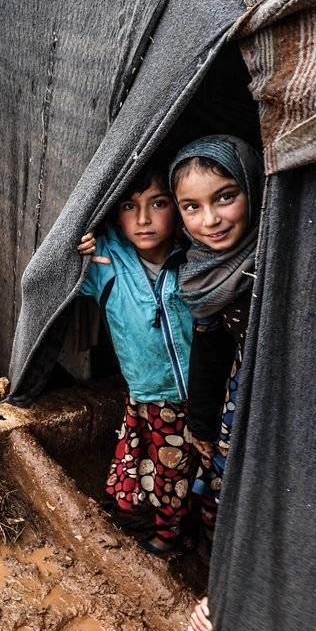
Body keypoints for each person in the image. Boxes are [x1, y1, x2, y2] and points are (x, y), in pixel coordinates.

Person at [165, 134, 263, 631]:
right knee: (220, 491)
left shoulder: (274, 260)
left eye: (225, 196)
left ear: (253, 186)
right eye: (192, 207)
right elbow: (209, 349)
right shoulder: (199, 271)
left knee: (258, 499)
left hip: (272, 408)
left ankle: (230, 593)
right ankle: (212, 574)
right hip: (231, 404)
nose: (211, 220)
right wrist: (200, 422)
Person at [76, 164, 197, 555]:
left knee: (204, 471)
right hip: (152, 396)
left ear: (177, 208)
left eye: (158, 203)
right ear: (115, 214)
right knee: (165, 472)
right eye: (130, 206)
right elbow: (56, 267)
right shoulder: (105, 266)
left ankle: (204, 535)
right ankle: (170, 535)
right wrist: (82, 246)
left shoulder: (196, 259)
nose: (143, 219)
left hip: (207, 393)